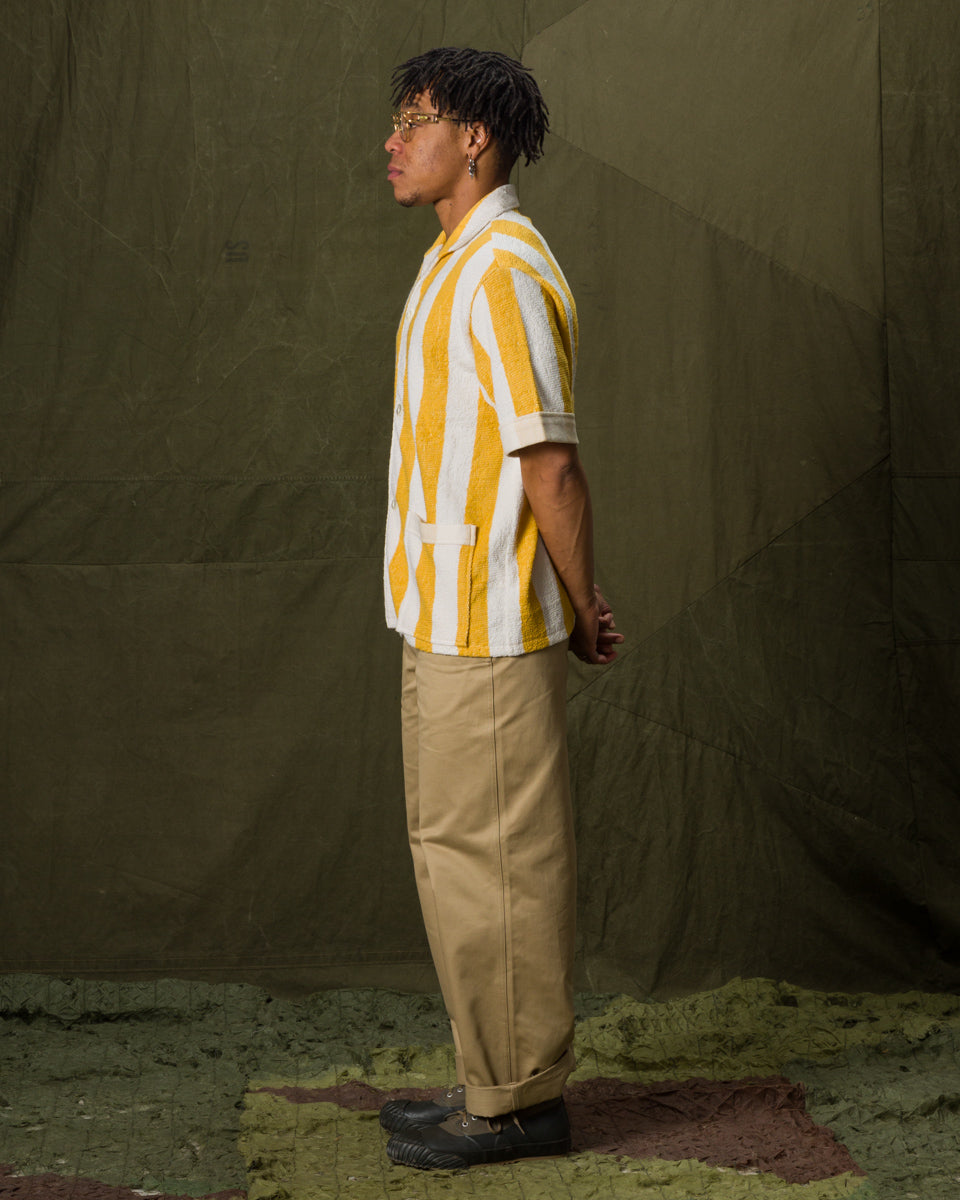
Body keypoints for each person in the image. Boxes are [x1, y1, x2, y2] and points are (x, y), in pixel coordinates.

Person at [379, 46, 623, 1171]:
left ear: (473, 138)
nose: (392, 143)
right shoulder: (451, 260)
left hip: (488, 621)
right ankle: (491, 1078)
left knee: (502, 863)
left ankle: (523, 1102)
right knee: (452, 853)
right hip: (437, 614)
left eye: (413, 121)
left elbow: (550, 463)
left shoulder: (505, 267)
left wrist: (582, 601)